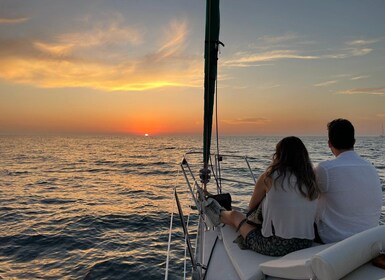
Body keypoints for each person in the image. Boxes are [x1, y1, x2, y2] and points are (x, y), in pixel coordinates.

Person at [204, 136, 320, 256]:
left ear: (279, 155)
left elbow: (250, 209)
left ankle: (215, 209)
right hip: (306, 243)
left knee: (235, 215)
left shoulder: (269, 177)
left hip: (274, 245)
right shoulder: (310, 179)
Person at [315, 118, 383, 244]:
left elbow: (304, 193)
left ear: (329, 143)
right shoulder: (371, 168)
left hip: (333, 239)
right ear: (354, 142)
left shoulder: (326, 168)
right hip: (370, 238)